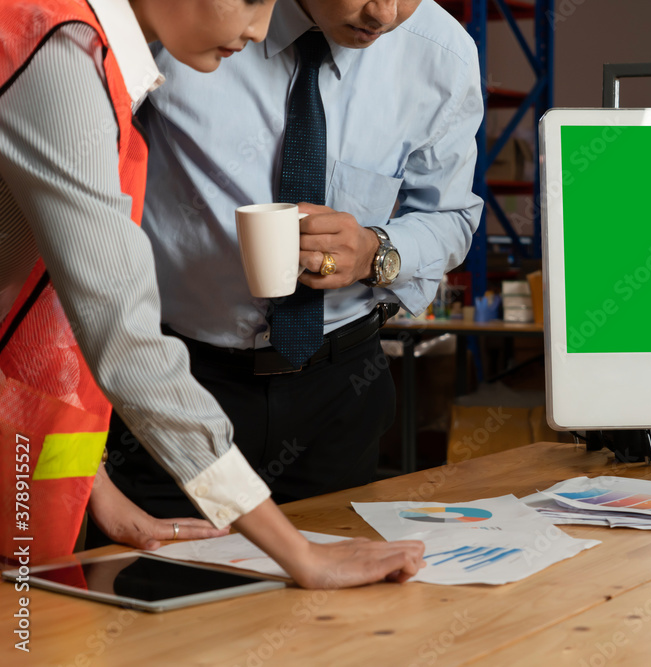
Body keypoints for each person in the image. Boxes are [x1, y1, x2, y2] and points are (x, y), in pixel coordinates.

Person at [0, 0, 424, 588]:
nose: (258, 28)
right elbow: (123, 338)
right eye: (249, 0)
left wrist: (97, 491)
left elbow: (51, 328)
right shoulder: (63, 58)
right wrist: (299, 555)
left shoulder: (74, 49)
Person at [95, 0, 483, 530]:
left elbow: (452, 217)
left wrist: (377, 251)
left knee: (333, 603)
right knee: (160, 590)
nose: (385, 14)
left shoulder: (442, 54)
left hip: (342, 388)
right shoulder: (186, 21)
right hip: (177, 379)